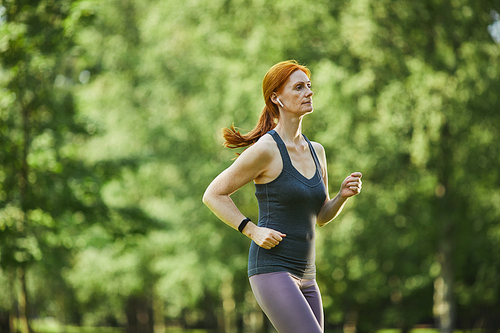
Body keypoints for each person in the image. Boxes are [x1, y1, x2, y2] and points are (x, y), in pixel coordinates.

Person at [202, 60, 362, 333]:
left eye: (309, 87)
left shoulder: (317, 151)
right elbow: (213, 194)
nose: (308, 92)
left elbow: (321, 217)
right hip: (272, 269)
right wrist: (251, 230)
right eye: (298, 87)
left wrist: (341, 197)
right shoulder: (266, 149)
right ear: (276, 98)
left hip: (307, 275)